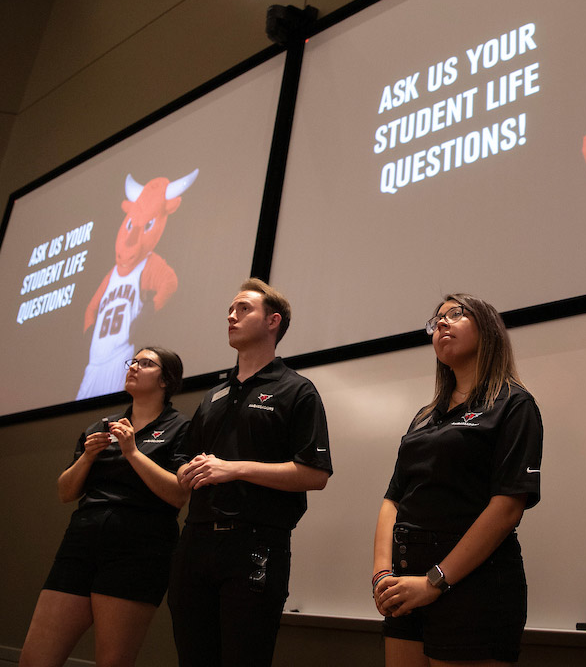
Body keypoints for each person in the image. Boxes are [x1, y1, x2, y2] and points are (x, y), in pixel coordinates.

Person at [169, 278, 333, 667]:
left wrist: (234, 469)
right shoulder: (214, 395)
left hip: (256, 544)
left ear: (273, 321)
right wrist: (186, 471)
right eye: (230, 309)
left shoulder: (297, 390)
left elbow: (315, 474)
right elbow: (186, 460)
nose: (231, 315)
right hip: (194, 542)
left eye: (244, 308)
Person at [373, 293, 544, 666]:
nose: (442, 324)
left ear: (488, 328)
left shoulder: (514, 404)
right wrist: (382, 574)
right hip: (405, 582)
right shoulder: (424, 417)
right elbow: (393, 498)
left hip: (474, 586)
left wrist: (435, 581)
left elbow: (508, 506)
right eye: (436, 322)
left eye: (456, 314)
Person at [20, 346, 190, 667]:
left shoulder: (181, 428)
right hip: (81, 545)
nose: (134, 367)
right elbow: (65, 492)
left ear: (166, 380)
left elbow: (178, 495)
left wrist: (132, 451)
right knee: (34, 660)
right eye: (132, 361)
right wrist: (87, 456)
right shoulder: (101, 426)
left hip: (137, 552)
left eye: (146, 363)